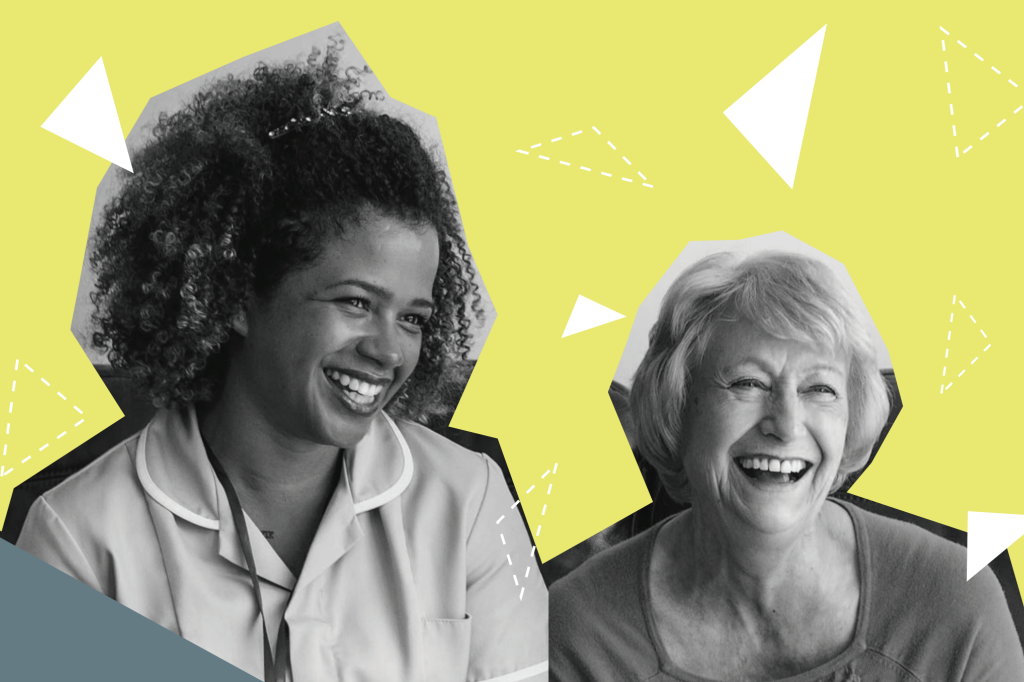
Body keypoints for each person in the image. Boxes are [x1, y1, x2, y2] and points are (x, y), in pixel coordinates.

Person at [17, 43, 547, 682]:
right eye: (356, 302)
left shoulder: (471, 502)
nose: (388, 350)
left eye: (413, 318)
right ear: (236, 295)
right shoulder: (77, 540)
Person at [550, 250, 1024, 681]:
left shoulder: (956, 609)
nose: (787, 424)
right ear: (678, 409)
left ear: (850, 421)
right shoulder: (578, 633)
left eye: (820, 389)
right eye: (749, 383)